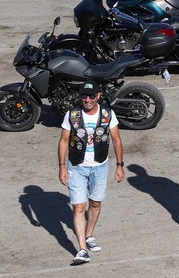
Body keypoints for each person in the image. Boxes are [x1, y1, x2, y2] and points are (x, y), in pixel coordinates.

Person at [58, 81, 124, 265]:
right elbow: (64, 141)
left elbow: (116, 140)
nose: (87, 100)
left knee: (95, 203)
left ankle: (89, 235)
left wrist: (120, 165)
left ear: (98, 96)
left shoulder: (107, 114)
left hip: (100, 165)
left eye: (91, 96)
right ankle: (82, 249)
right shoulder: (72, 115)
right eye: (84, 96)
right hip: (76, 166)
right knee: (79, 207)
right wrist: (62, 166)